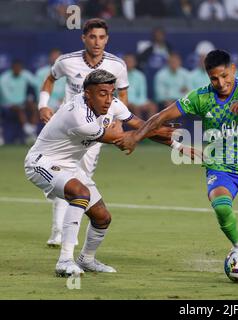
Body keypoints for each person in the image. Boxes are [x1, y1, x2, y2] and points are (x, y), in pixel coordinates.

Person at [116, 49, 238, 271]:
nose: (220, 83)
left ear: (233, 70)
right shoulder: (200, 97)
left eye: (225, 76)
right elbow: (161, 116)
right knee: (221, 207)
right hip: (219, 167)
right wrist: (137, 137)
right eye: (214, 78)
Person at [24, 69, 176, 276]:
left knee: (102, 217)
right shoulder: (77, 115)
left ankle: (86, 259)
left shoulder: (112, 104)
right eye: (102, 93)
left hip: (69, 165)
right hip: (40, 162)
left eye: (111, 93)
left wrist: (179, 146)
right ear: (87, 93)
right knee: (80, 194)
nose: (108, 99)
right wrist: (153, 130)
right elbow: (120, 138)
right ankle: (64, 261)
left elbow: (141, 127)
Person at [37, 18, 129, 248]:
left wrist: (118, 123)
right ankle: (59, 232)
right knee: (68, 175)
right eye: (92, 37)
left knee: (80, 178)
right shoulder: (66, 61)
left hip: (95, 131)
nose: (97, 42)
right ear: (83, 38)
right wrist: (43, 105)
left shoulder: (117, 65)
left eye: (101, 37)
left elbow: (122, 94)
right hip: (70, 128)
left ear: (107, 39)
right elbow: (50, 80)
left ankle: (64, 231)